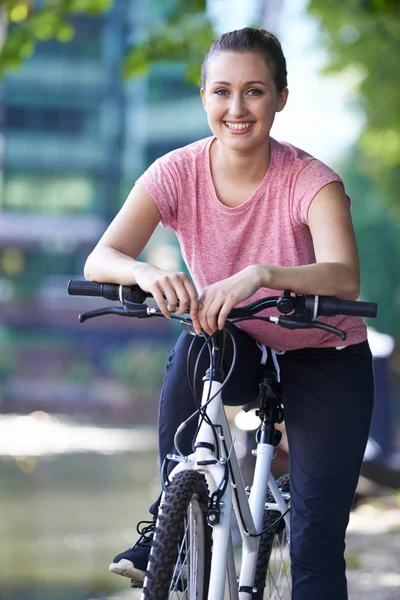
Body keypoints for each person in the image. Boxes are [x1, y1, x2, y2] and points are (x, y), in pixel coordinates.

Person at [84, 27, 374, 600]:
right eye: (221, 92)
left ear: (280, 98)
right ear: (203, 98)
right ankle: (168, 511)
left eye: (254, 92)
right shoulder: (176, 172)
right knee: (194, 346)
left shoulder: (311, 181)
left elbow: (343, 275)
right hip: (235, 340)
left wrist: (259, 274)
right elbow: (103, 257)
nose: (236, 109)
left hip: (325, 350)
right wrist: (146, 272)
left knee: (315, 544)